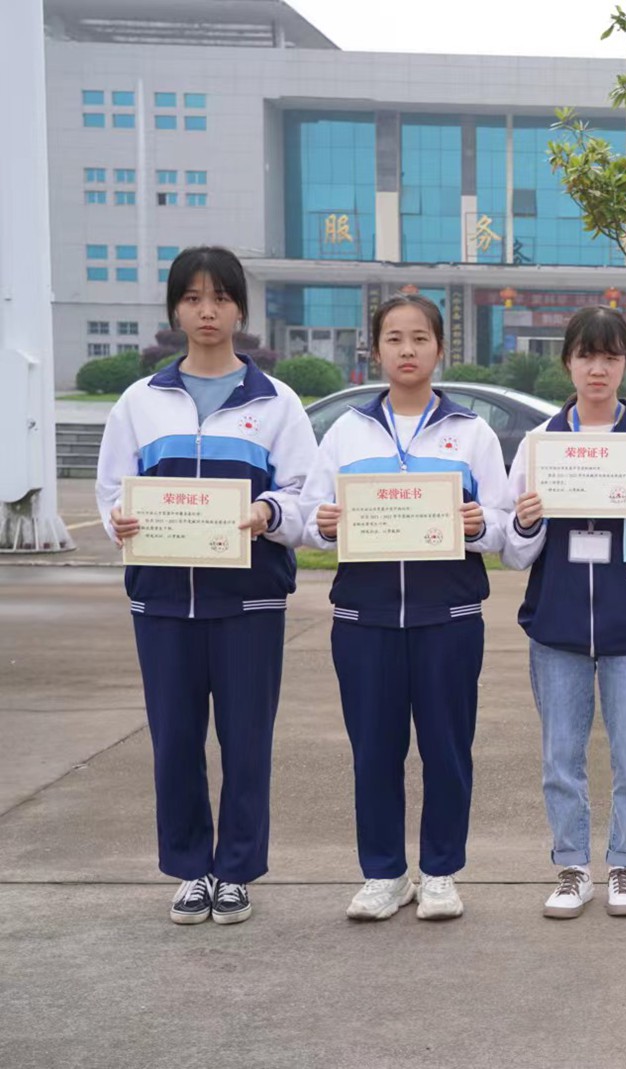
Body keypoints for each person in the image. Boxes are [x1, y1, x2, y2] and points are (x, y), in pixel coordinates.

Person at [95, 246, 316, 925]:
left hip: (249, 600)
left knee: (247, 742)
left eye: (219, 297)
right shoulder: (141, 402)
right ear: (175, 310)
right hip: (163, 601)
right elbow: (111, 491)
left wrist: (269, 512)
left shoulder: (276, 403)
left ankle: (238, 871)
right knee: (175, 739)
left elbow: (306, 496)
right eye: (192, 298)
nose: (207, 310)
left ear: (240, 309)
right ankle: (192, 869)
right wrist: (119, 520)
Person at [300, 294, 511, 922]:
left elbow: (504, 525)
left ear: (440, 348)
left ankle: (441, 872)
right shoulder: (347, 431)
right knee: (374, 751)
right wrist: (324, 525)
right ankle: (384, 874)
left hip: (449, 617)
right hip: (364, 619)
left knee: (448, 748)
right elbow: (309, 517)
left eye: (420, 338)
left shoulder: (471, 432)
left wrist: (478, 524)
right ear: (376, 351)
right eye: (394, 338)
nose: (408, 349)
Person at [502, 307, 626, 919]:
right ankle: (572, 867)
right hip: (556, 626)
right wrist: (526, 521)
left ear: (625, 363)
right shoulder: (540, 443)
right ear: (568, 362)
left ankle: (625, 865)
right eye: (587, 356)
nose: (598, 369)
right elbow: (513, 549)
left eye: (610, 357)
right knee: (561, 757)